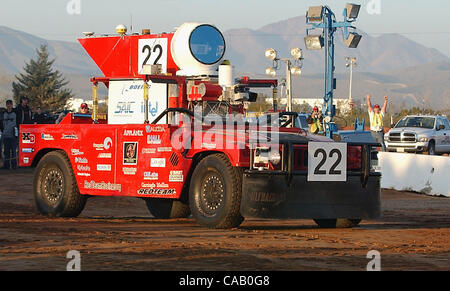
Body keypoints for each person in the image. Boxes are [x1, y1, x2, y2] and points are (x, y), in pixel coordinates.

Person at [1, 100, 18, 170]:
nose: (9, 106)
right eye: (7, 104)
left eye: (10, 104)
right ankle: (6, 165)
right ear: (6, 105)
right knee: (6, 151)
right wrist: (3, 131)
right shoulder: (3, 114)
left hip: (13, 136)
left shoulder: (15, 113)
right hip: (6, 136)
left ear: (12, 105)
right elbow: (1, 124)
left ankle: (14, 165)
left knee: (14, 151)